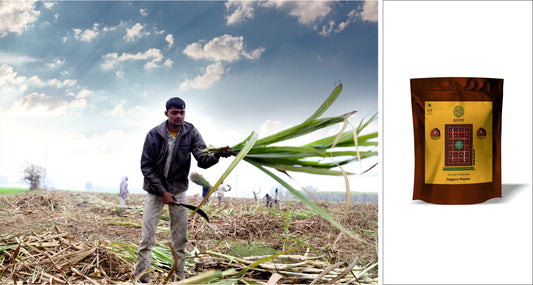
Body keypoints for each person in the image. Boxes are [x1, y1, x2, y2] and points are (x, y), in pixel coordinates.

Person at [134, 97, 231, 282]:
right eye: (174, 112)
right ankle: (141, 279)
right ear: (166, 113)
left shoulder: (191, 132)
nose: (179, 116)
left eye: (182, 112)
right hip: (156, 192)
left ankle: (178, 280)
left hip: (178, 190)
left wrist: (218, 154)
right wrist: (162, 192)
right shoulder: (154, 135)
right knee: (147, 239)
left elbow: (203, 160)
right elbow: (146, 167)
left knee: (180, 241)